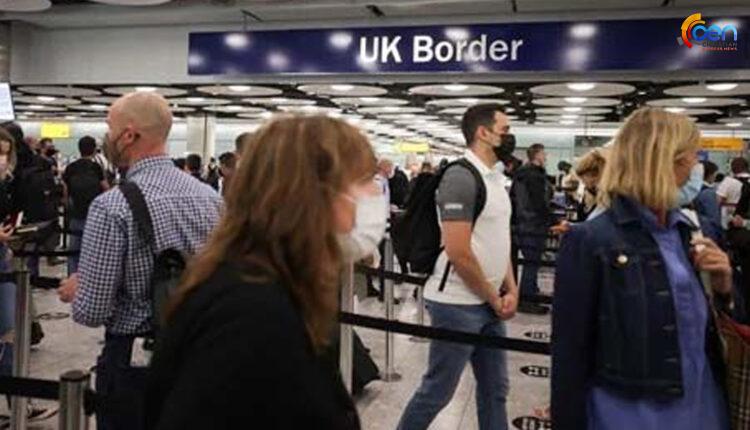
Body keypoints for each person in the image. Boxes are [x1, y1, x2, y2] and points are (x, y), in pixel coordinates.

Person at [145, 116, 380, 429]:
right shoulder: (251, 312)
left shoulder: (274, 284)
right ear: (312, 194)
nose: (374, 194)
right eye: (363, 181)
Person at [552, 108, 732, 430]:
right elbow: (570, 353)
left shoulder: (692, 232)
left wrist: (724, 287)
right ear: (666, 160)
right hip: (629, 413)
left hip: (703, 405)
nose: (697, 165)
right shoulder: (592, 240)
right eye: (692, 155)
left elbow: (714, 326)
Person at [57, 92, 222, 430]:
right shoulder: (211, 198)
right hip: (199, 349)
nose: (106, 137)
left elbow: (92, 312)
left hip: (135, 361)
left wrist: (79, 288)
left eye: (110, 128)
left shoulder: (111, 207)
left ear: (129, 135)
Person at [398, 103, 518, 430]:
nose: (510, 137)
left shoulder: (496, 179)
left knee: (496, 389)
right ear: (483, 133)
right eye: (505, 130)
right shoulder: (460, 177)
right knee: (438, 391)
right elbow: (458, 251)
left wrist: (511, 287)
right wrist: (494, 297)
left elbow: (499, 238)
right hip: (457, 303)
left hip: (489, 301)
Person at [510, 143, 553, 315]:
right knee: (532, 262)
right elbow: (539, 203)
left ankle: (532, 290)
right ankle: (527, 300)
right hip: (534, 224)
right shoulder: (534, 176)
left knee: (530, 261)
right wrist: (554, 220)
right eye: (544, 153)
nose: (546, 156)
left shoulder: (521, 174)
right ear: (537, 155)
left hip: (522, 223)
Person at [62, 136, 110, 274]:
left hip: (76, 214)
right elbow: (106, 189)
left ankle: (72, 276)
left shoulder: (70, 167)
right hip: (94, 216)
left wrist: (67, 207)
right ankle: (90, 277)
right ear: (94, 150)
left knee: (73, 252)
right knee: (93, 251)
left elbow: (65, 192)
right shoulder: (96, 167)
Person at [716, 157, 750, 227]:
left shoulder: (728, 181)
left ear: (732, 168)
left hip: (731, 221)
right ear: (747, 167)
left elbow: (717, 201)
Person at [693, 160, 722, 235]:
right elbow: (714, 219)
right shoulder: (709, 193)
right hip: (707, 232)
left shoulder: (692, 190)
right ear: (710, 175)